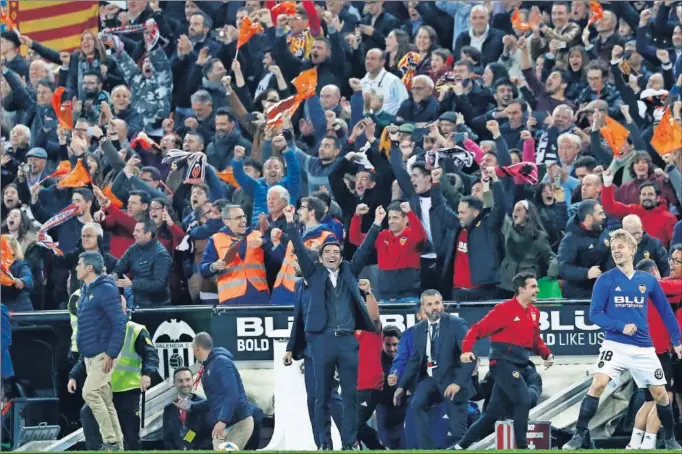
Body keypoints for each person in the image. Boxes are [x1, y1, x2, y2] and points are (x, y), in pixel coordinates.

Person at [562, 230, 682, 450]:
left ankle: (670, 439)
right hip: (614, 345)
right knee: (598, 384)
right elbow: (595, 314)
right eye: (613, 248)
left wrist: (677, 340)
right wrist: (620, 326)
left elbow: (666, 312)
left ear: (632, 250)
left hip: (644, 347)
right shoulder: (605, 280)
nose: (616, 251)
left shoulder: (647, 281)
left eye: (620, 247)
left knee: (661, 395)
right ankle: (578, 435)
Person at [284, 203, 379, 450]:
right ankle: (325, 443)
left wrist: (377, 223)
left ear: (341, 255)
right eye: (328, 251)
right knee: (322, 397)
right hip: (321, 340)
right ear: (321, 256)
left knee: (350, 397)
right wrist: (290, 222)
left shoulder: (349, 270)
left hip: (347, 340)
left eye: (336, 251)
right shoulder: (313, 274)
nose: (333, 255)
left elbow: (366, 249)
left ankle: (349, 443)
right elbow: (299, 248)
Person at [452, 271, 554, 450]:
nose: (538, 290)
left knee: (492, 413)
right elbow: (477, 329)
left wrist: (546, 354)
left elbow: (536, 339)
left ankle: (460, 446)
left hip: (520, 364)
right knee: (523, 400)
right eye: (533, 287)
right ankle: (522, 447)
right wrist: (466, 350)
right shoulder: (504, 310)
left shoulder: (534, 313)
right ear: (521, 289)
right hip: (502, 363)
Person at [68, 295, 159, 451]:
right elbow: (85, 357)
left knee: (130, 434)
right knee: (88, 415)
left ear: (124, 310)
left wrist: (146, 374)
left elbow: (151, 355)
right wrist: (73, 376)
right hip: (103, 387)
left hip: (126, 390)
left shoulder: (135, 330)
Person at [393, 289, 473, 449]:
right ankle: (426, 449)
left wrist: (458, 383)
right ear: (423, 308)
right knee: (416, 404)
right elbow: (414, 361)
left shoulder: (456, 324)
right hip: (429, 379)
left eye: (437, 303)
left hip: (452, 379)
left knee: (458, 432)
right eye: (430, 304)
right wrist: (402, 386)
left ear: (442, 304)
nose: (434, 307)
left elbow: (470, 356)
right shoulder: (419, 329)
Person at [74, 251, 127, 451]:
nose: (76, 268)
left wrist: (112, 353)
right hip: (90, 354)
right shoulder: (86, 288)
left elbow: (119, 322)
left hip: (104, 353)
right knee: (105, 399)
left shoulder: (105, 289)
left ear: (89, 268)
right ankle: (119, 444)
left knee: (90, 393)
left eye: (79, 264)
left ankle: (110, 441)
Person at [174, 332, 256, 450]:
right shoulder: (209, 365)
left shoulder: (221, 362)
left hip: (239, 422)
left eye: (192, 348)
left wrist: (222, 420)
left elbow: (232, 394)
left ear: (197, 348)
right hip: (224, 425)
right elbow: (215, 401)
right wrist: (191, 406)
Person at [163, 367, 212, 450]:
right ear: (174, 383)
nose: (184, 384)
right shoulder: (168, 409)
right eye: (180, 381)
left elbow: (209, 436)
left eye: (187, 379)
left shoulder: (204, 405)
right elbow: (167, 438)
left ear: (193, 381)